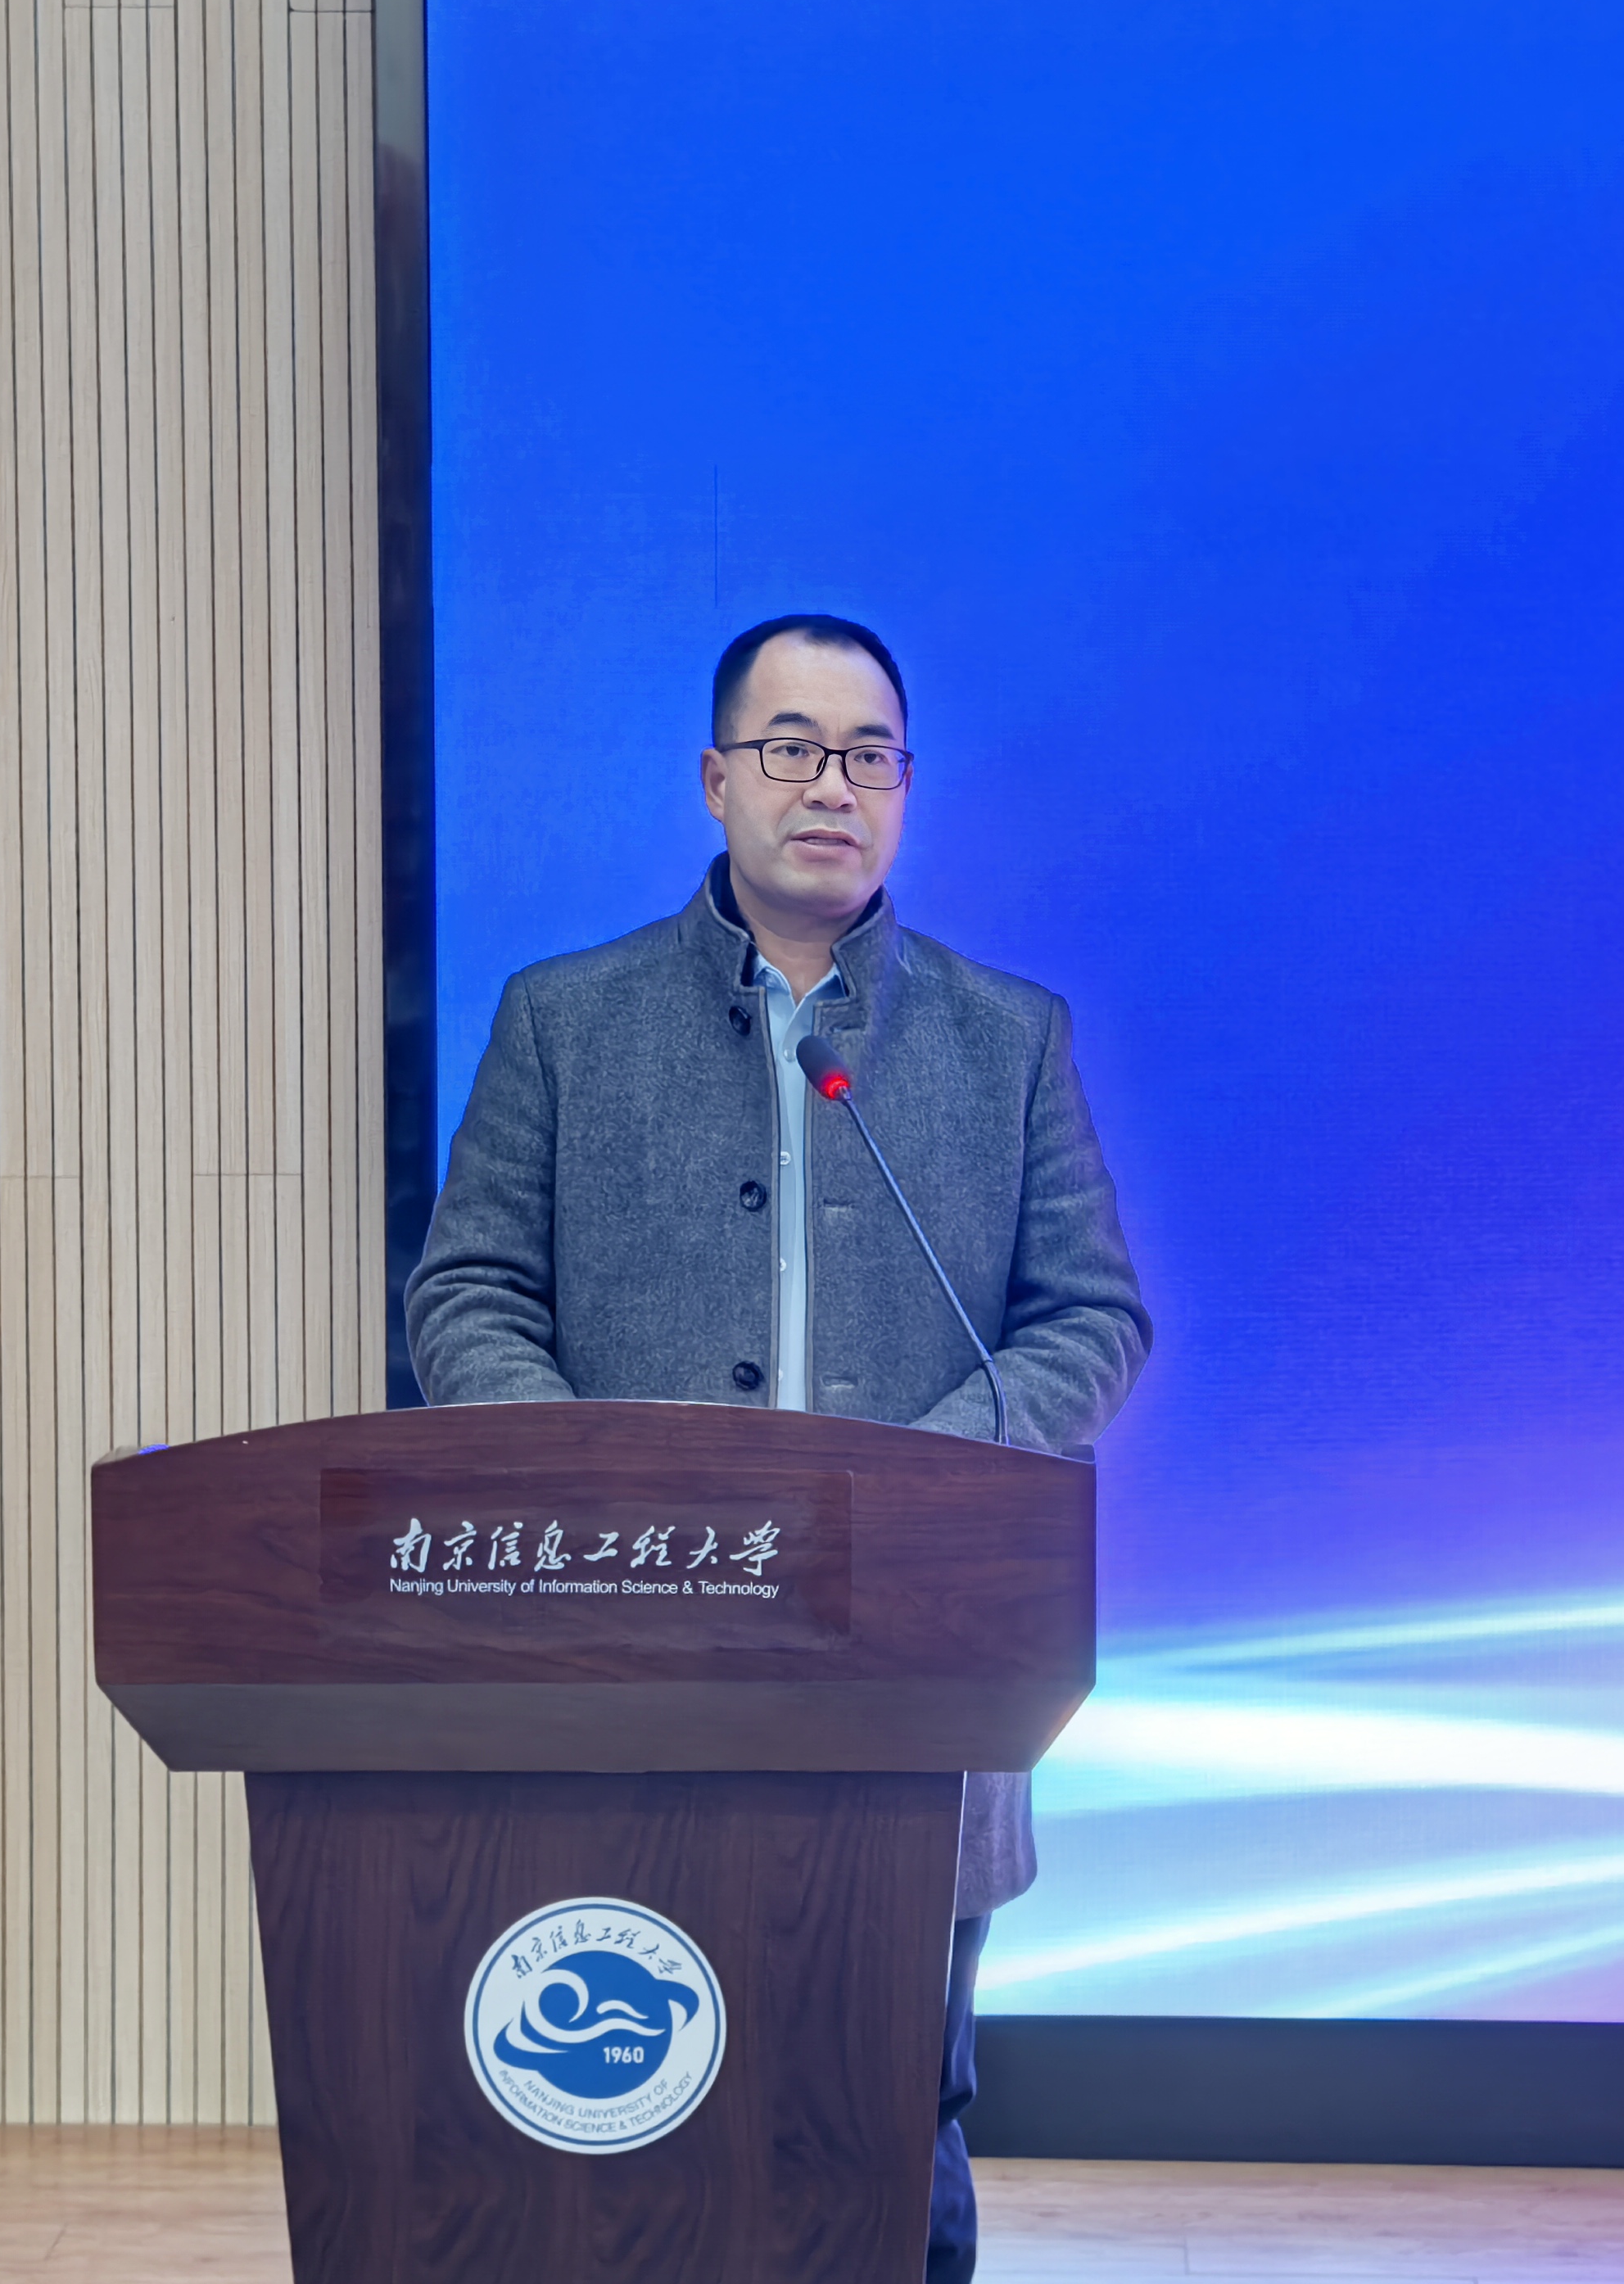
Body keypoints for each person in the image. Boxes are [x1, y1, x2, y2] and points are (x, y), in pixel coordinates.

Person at [405, 611, 1151, 2282]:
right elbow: (466, 1292)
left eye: (869, 755)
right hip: (634, 1667)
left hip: (915, 1677)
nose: (832, 786)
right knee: (633, 2115)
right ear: (715, 779)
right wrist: (597, 1491)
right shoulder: (565, 1021)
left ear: (905, 789)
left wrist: (928, 1478)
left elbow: (1091, 1319)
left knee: (887, 2129)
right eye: (793, 748)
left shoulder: (1006, 1039)